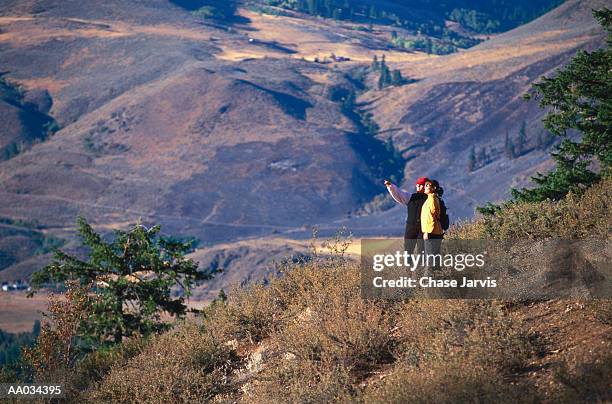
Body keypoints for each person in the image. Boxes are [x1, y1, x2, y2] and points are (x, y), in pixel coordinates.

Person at [384, 177, 428, 254]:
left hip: (424, 229)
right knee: (408, 251)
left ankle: (421, 265)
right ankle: (409, 265)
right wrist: (390, 186)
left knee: (422, 251)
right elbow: (399, 194)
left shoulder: (430, 199)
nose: (418, 186)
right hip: (410, 228)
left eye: (422, 185)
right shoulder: (411, 197)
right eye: (418, 185)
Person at [421, 179, 444, 256]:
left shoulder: (431, 198)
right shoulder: (434, 198)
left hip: (432, 232)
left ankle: (431, 268)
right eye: (425, 185)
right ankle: (437, 268)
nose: (425, 187)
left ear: (434, 188)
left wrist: (427, 232)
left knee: (430, 256)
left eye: (428, 185)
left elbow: (430, 217)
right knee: (435, 256)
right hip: (437, 231)